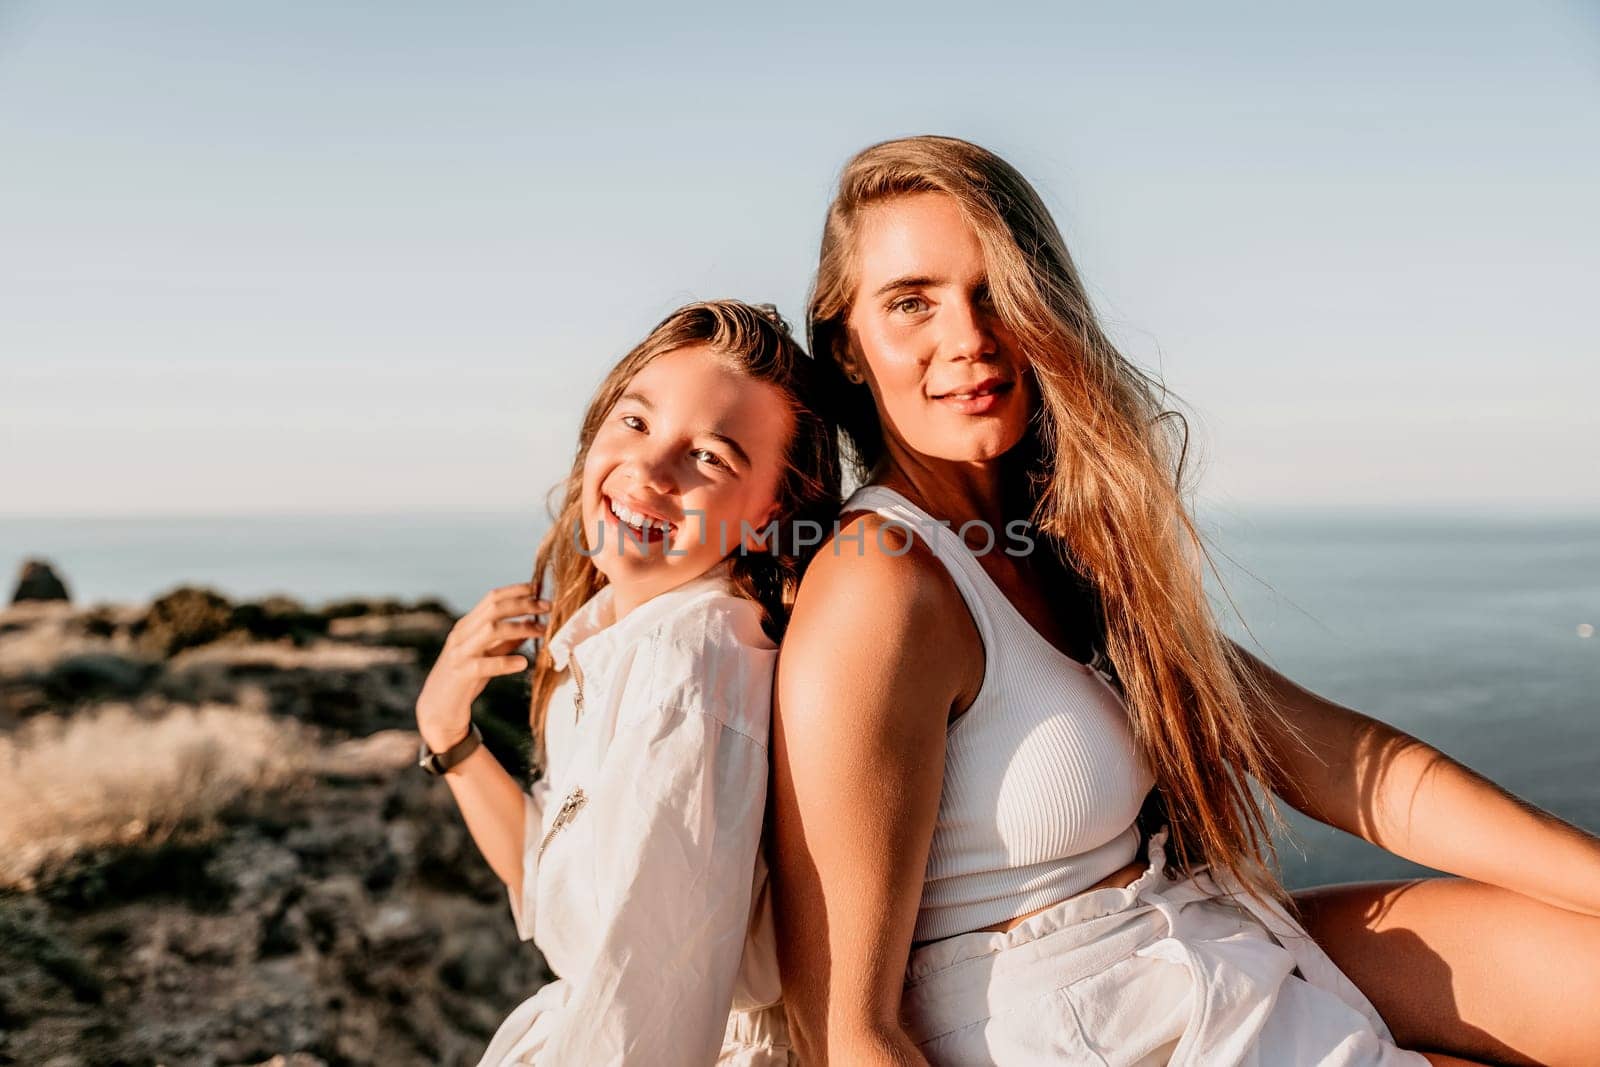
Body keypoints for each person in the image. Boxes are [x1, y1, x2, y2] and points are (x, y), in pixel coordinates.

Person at [769, 136, 1600, 1066]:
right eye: (912, 302)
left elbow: (1342, 763)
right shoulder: (879, 584)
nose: (970, 337)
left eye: (997, 289)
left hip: (1191, 954)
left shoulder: (1047, 547)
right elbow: (845, 1032)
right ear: (847, 343)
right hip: (1086, 1024)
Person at [415, 301, 839, 1065]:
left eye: (709, 456)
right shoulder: (623, 633)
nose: (648, 470)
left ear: (768, 513)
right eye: (637, 422)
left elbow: (644, 1009)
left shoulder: (689, 669)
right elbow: (556, 885)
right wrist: (448, 731)